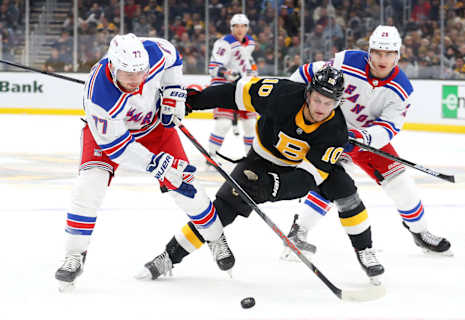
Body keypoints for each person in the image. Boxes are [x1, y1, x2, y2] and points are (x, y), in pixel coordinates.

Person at [137, 66, 385, 284]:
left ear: (338, 103)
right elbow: (234, 93)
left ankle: (365, 250)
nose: (321, 107)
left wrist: (276, 187)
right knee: (223, 209)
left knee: (345, 189)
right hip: (260, 160)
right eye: (318, 99)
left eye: (329, 103)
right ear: (308, 92)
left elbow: (309, 179)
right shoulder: (282, 94)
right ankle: (169, 256)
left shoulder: (336, 132)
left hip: (298, 171)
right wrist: (195, 101)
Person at [54, 34, 234, 290]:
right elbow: (116, 147)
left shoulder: (152, 53)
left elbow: (172, 54)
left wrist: (174, 93)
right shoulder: (99, 96)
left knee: (186, 188)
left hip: (154, 128)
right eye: (127, 73)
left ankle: (216, 238)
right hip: (110, 137)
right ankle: (74, 255)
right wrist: (156, 164)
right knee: (89, 186)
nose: (135, 80)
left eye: (140, 73)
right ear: (112, 66)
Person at [282, 25, 451, 263]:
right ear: (369, 52)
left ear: (397, 55)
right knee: (328, 179)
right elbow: (307, 72)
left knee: (401, 184)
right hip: (330, 130)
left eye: (389, 53)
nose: (382, 59)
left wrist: (362, 138)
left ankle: (420, 232)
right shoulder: (347, 61)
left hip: (365, 138)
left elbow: (389, 127)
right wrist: (285, 97)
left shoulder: (402, 89)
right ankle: (298, 230)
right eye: (378, 53)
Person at [207, 13, 257, 163]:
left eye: (243, 26)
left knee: (250, 124)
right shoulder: (224, 43)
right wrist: (227, 73)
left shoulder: (250, 44)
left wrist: (252, 75)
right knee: (223, 123)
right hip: (226, 86)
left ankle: (251, 158)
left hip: (244, 87)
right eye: (236, 26)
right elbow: (214, 66)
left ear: (247, 27)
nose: (240, 29)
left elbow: (248, 64)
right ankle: (212, 156)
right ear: (231, 27)